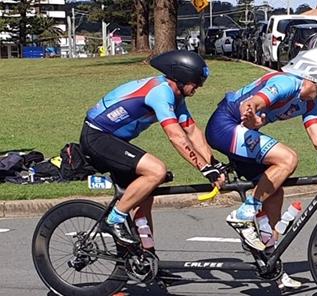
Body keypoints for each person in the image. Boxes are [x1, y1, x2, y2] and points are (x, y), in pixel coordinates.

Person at [205, 47, 317, 288]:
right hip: (225, 125)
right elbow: (255, 100)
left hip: (243, 131)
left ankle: (271, 266)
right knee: (288, 158)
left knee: (275, 194)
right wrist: (253, 112)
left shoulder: (310, 103)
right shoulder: (287, 83)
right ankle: (243, 215)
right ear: (316, 73)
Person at [80, 50, 225, 248]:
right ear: (182, 78)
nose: (199, 87)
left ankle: (146, 260)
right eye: (197, 82)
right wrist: (203, 168)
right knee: (156, 170)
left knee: (145, 193)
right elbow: (176, 135)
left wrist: (213, 164)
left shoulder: (176, 96)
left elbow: (191, 131)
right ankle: (113, 220)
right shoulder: (160, 92)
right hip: (97, 136)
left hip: (113, 139)